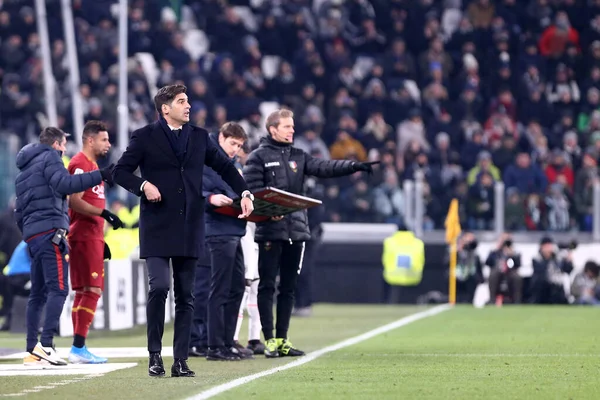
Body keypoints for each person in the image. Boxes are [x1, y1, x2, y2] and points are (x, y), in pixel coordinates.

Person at [112, 84, 254, 378]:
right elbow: (120, 172)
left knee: (187, 296)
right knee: (160, 287)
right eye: (181, 101)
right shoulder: (145, 136)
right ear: (165, 109)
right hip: (157, 226)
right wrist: (142, 186)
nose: (188, 106)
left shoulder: (200, 137)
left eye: (187, 101)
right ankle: (154, 355)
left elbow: (227, 168)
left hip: (190, 225)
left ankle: (180, 360)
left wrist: (245, 193)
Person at [242, 109, 377, 358]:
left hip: (297, 229)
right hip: (270, 231)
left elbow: (324, 167)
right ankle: (269, 339)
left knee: (289, 287)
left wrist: (353, 166)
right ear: (272, 129)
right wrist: (268, 212)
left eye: (292, 126)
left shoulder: (299, 156)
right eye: (287, 127)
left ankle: (282, 339)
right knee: (267, 286)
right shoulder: (257, 157)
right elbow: (250, 192)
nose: (292, 130)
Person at [14, 127, 113, 366]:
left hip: (33, 237)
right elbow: (65, 185)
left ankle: (32, 350)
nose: (65, 149)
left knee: (37, 294)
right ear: (57, 144)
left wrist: (29, 234)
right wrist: (102, 174)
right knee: (58, 290)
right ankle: (46, 345)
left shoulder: (25, 170)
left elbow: (19, 211)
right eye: (64, 145)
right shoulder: (50, 158)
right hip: (50, 234)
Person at [66, 120, 124, 364]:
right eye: (104, 139)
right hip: (83, 235)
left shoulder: (93, 167)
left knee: (85, 291)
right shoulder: (80, 163)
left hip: (91, 236)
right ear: (90, 140)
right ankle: (78, 347)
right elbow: (74, 200)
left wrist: (102, 235)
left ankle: (78, 347)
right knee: (91, 290)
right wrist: (103, 214)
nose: (108, 144)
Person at [202, 122, 254, 361]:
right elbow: (193, 190)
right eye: (232, 143)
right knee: (220, 288)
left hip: (234, 229)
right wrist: (211, 198)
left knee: (235, 288)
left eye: (239, 145)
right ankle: (214, 346)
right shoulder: (207, 160)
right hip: (217, 229)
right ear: (221, 137)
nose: (235, 149)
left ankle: (227, 341)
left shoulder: (230, 165)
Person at [233, 221, 265, 355]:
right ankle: (232, 338)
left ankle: (254, 338)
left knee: (256, 291)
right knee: (243, 290)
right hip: (244, 234)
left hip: (260, 238)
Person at [0, 241, 31, 331]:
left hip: (10, 276)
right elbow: (35, 261)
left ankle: (8, 323)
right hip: (21, 277)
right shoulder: (32, 242)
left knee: (10, 302)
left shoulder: (25, 241)